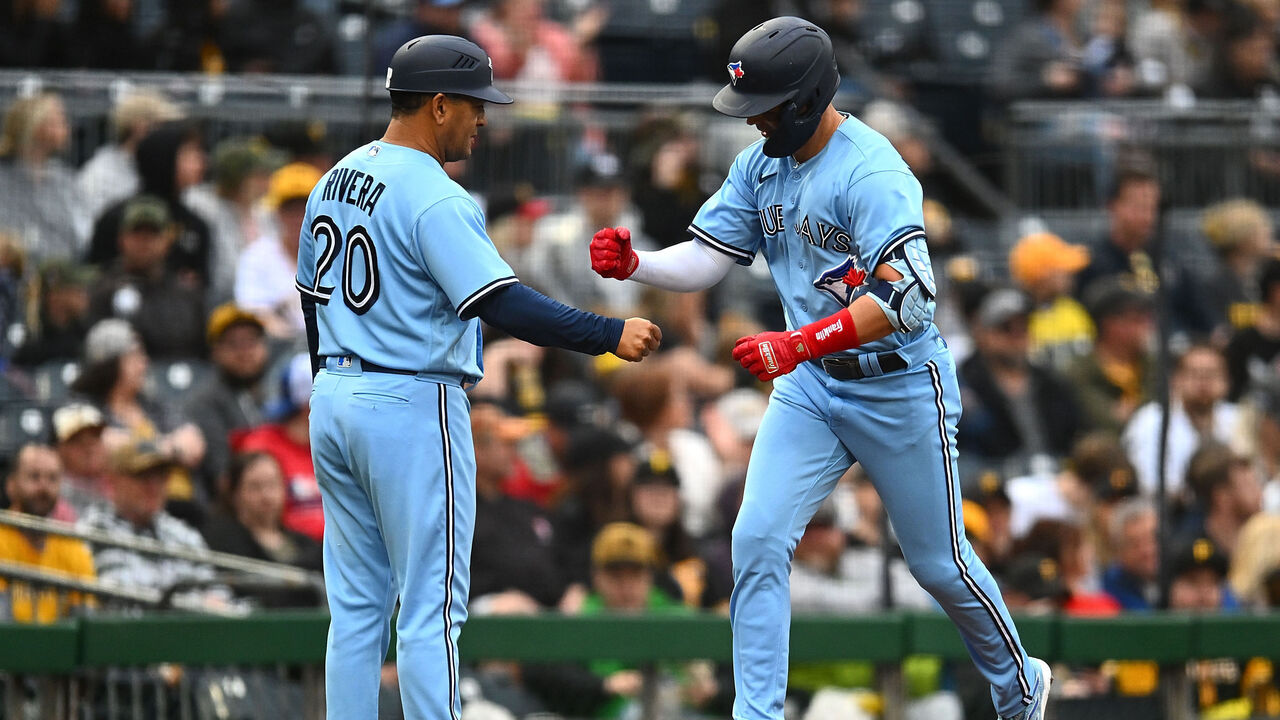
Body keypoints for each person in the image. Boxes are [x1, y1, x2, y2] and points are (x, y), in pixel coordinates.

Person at [588, 17, 1050, 720]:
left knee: (939, 564)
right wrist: (639, 265)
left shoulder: (871, 169)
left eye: (764, 107)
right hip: (814, 386)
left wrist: (800, 344)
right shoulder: (761, 164)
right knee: (757, 537)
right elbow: (712, 255)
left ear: (804, 99)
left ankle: (1021, 688)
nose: (751, 122)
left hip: (895, 383)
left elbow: (911, 299)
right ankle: (759, 713)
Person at [297, 35, 661, 720]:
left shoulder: (334, 177)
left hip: (334, 393)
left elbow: (310, 303)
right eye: (473, 104)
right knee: (431, 606)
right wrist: (607, 333)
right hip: (407, 397)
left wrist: (334, 380)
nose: (483, 119)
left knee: (355, 607)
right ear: (438, 105)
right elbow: (502, 301)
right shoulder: (435, 193)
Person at [86, 195, 208, 359]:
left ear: (167, 240)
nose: (144, 242)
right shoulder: (101, 290)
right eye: (137, 234)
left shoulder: (186, 293)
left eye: (152, 234)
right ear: (121, 239)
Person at [200, 451, 322, 607]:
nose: (266, 495)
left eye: (273, 485)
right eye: (255, 487)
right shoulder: (222, 537)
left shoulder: (304, 542)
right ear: (234, 493)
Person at [0, 444, 96, 623]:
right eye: (34, 477)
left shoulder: (72, 547)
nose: (43, 487)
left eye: (52, 478)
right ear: (11, 486)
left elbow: (85, 623)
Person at [184, 304, 269, 496]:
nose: (245, 352)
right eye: (235, 344)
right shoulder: (205, 402)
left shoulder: (269, 394)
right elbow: (221, 479)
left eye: (252, 341)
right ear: (215, 351)